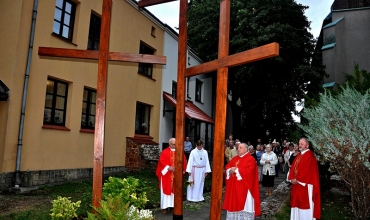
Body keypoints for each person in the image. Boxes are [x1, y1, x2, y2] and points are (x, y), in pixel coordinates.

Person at [222, 143, 261, 219]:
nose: (238, 149)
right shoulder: (235, 158)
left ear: (246, 149)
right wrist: (230, 170)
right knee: (234, 203)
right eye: (238, 147)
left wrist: (236, 170)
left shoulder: (250, 159)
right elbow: (228, 166)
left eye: (241, 147)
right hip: (234, 187)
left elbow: (249, 172)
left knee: (246, 205)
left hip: (245, 187)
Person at [288, 138, 321, 220]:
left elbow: (308, 171)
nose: (300, 145)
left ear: (307, 145)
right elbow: (293, 168)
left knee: (304, 205)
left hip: (305, 185)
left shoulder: (310, 156)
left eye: (302, 144)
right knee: (296, 204)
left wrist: (297, 179)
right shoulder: (299, 155)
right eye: (299, 143)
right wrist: (291, 178)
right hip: (297, 185)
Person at [156, 138, 187, 214]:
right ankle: (164, 207)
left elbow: (184, 161)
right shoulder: (164, 152)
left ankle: (174, 206)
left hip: (176, 175)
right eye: (173, 144)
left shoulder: (180, 152)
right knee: (165, 191)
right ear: (169, 144)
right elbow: (161, 162)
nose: (174, 145)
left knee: (175, 191)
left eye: (175, 144)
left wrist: (183, 170)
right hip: (166, 175)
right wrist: (168, 168)